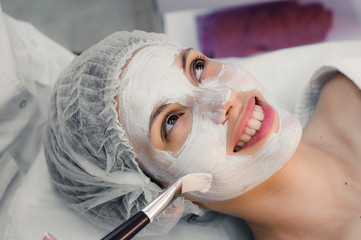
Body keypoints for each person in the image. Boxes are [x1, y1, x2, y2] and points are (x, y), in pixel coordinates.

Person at [44, 30, 361, 240]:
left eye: (196, 68)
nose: (222, 97)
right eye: (171, 121)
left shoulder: (349, 87)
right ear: (163, 196)